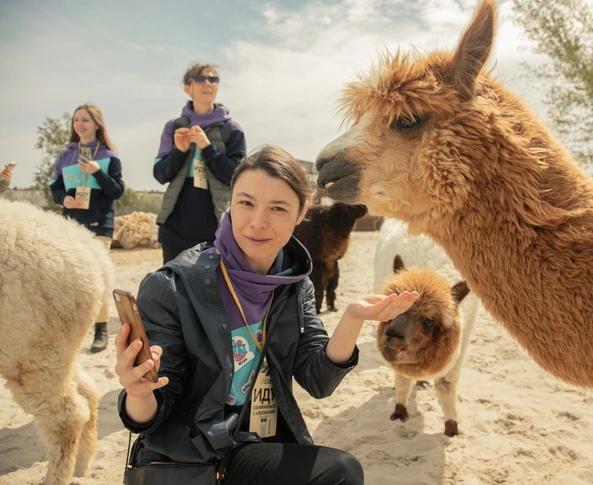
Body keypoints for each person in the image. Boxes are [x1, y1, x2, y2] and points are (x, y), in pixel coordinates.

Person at [115, 145, 419, 485]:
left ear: (302, 211)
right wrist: (139, 393)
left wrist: (351, 320)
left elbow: (317, 381)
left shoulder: (294, 285)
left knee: (340, 471)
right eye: (246, 203)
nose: (258, 222)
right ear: (230, 202)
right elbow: (155, 413)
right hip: (189, 458)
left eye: (278, 208)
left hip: (256, 446)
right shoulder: (172, 286)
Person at [154, 61, 246, 264]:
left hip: (217, 229)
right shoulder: (173, 127)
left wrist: (208, 147)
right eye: (200, 78)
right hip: (174, 231)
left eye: (213, 79)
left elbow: (237, 177)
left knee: (211, 293)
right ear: (187, 88)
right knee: (173, 292)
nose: (208, 83)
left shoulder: (233, 130)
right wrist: (179, 151)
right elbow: (160, 174)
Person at [50, 104, 124, 353]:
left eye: (85, 120)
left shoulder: (109, 157)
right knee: (69, 278)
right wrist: (63, 199)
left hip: (99, 226)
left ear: (97, 124)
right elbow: (55, 187)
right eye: (76, 120)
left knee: (97, 279)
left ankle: (101, 331)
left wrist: (96, 171)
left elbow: (117, 191)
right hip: (70, 225)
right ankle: (70, 330)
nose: (80, 124)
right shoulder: (65, 155)